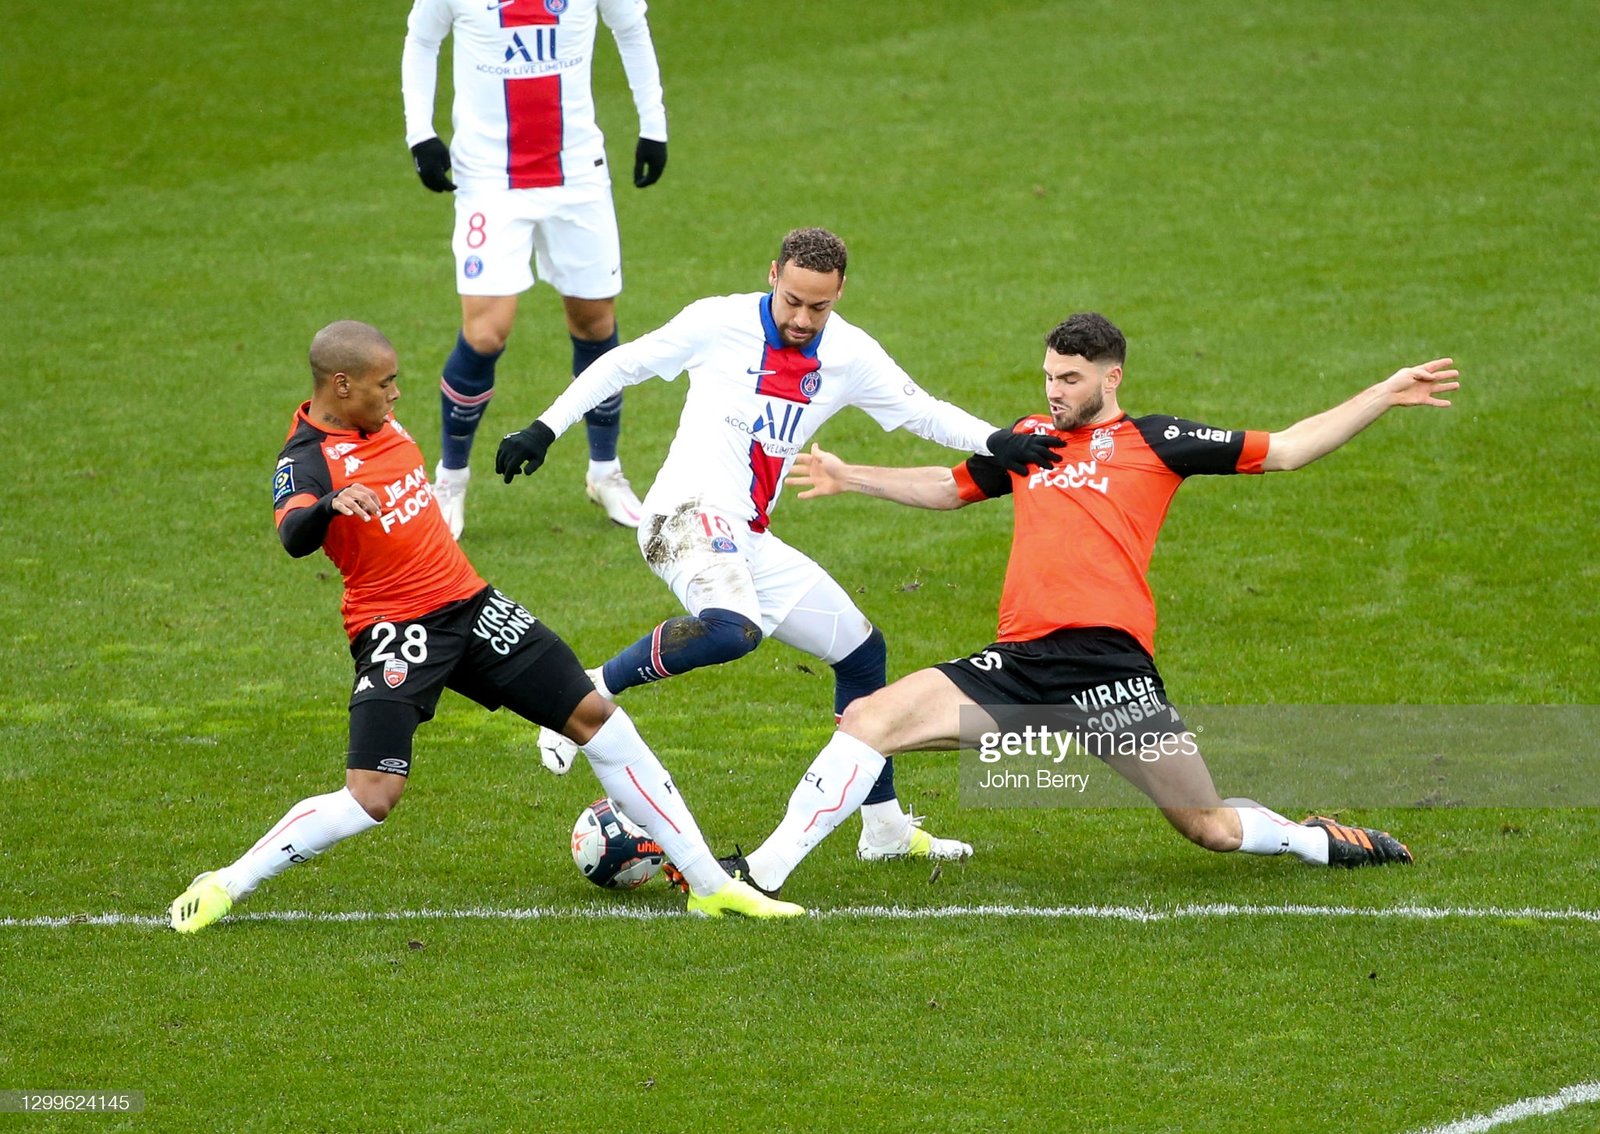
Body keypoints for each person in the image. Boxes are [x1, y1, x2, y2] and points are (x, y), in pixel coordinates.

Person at [728, 311, 1456, 894]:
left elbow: (1290, 448)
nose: (1053, 391)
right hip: (1016, 668)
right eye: (1048, 375)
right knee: (868, 718)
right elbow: (951, 487)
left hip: (1109, 669)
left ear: (1111, 377)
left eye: (1070, 379)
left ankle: (1314, 841)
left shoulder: (1159, 440)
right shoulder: (1029, 441)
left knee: (1208, 827)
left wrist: (1383, 393)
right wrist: (854, 477)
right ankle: (763, 874)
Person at [168, 322, 803, 932]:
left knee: (598, 722)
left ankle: (710, 886)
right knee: (372, 796)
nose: (395, 395)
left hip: (472, 605)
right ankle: (227, 881)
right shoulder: (306, 459)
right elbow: (292, 534)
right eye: (383, 383)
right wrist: (331, 503)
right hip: (397, 630)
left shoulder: (379, 421)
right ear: (340, 385)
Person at [494, 228, 1064, 870]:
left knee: (861, 652)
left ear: (840, 292)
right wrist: (546, 427)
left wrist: (998, 441)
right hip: (683, 515)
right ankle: (586, 692)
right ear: (773, 276)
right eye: (792, 300)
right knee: (733, 630)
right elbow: (621, 363)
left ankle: (884, 831)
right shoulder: (717, 322)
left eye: (817, 307)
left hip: (748, 537)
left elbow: (920, 412)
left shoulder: (850, 353)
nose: (801, 318)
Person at [401, 0, 669, 538]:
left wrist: (653, 125)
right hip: (489, 180)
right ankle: (450, 480)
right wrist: (420, 133)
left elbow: (631, 28)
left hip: (577, 175)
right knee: (485, 333)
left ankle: (605, 472)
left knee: (594, 324)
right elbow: (421, 39)